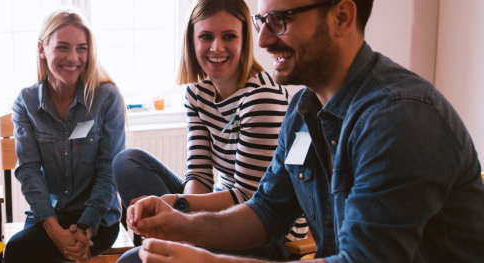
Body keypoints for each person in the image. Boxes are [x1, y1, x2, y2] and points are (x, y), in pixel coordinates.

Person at [127, 0, 484, 262]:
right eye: (261, 21)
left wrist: (212, 261)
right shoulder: (303, 112)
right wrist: (182, 225)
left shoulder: (400, 117)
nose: (263, 40)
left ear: (341, 17)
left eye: (280, 20)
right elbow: (266, 210)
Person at [111, 0, 304, 262]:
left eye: (229, 36)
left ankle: (170, 241)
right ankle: (172, 240)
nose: (217, 47)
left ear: (244, 41)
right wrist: (182, 216)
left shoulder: (262, 98)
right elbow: (199, 174)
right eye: (206, 36)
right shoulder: (197, 93)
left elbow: (250, 200)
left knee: (132, 260)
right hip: (220, 206)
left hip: (267, 231)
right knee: (127, 161)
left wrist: (180, 210)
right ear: (192, 41)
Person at [3, 8, 124, 263]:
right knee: (13, 251)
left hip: (99, 218)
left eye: (82, 48)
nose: (74, 57)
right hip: (51, 215)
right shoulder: (25, 102)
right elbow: (29, 171)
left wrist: (85, 228)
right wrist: (55, 230)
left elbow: (109, 171)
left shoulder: (107, 98)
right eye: (63, 47)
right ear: (42, 49)